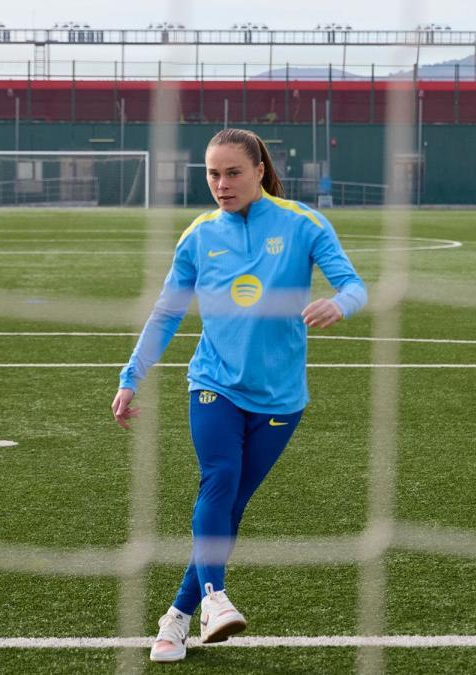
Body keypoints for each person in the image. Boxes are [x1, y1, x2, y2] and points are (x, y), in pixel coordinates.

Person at [111, 128, 367, 663]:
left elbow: (354, 285)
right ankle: (213, 598)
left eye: (231, 173)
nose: (221, 184)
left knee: (231, 508)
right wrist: (130, 376)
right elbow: (166, 312)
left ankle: (175, 619)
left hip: (280, 399)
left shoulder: (302, 223)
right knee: (219, 479)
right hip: (214, 385)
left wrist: (340, 304)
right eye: (212, 174)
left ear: (258, 171)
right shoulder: (199, 236)